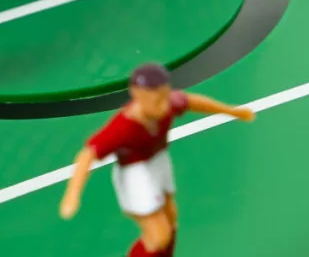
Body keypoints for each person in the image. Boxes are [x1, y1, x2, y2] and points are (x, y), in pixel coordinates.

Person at [59, 63, 255, 257]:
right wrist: (72, 194)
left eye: (164, 96)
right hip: (135, 173)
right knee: (159, 237)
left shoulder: (167, 104)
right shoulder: (124, 127)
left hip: (158, 160)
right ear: (137, 95)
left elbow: (194, 102)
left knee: (171, 219)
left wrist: (232, 111)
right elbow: (87, 155)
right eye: (156, 100)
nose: (164, 105)